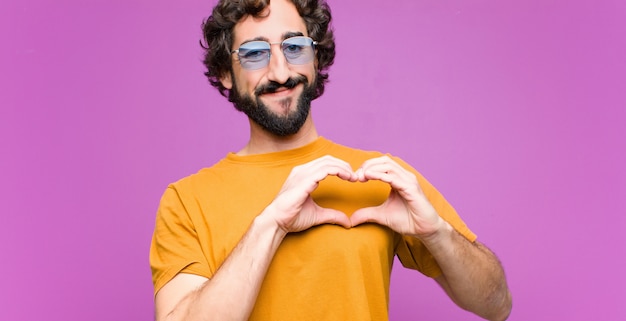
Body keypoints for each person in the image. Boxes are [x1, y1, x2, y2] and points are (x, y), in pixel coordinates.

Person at [149, 0, 512, 320]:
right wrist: (270, 224)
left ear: (316, 56)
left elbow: (497, 305)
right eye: (255, 53)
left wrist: (438, 233)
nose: (280, 73)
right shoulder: (186, 200)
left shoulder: (379, 178)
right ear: (226, 73)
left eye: (294, 47)